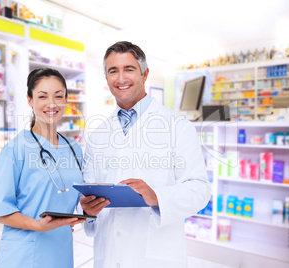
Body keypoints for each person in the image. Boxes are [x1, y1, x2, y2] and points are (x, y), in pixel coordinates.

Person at [79, 41, 212, 268]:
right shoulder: (97, 134)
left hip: (156, 257)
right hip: (109, 255)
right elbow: (88, 191)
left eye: (129, 69)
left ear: (145, 73)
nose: (121, 78)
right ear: (106, 78)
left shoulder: (177, 126)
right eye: (113, 71)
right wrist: (86, 211)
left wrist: (156, 196)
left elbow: (200, 189)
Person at [0, 68, 86, 267]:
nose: (52, 103)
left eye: (58, 96)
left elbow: (75, 196)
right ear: (30, 100)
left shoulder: (74, 149)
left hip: (61, 248)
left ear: (66, 100)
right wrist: (38, 226)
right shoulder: (15, 149)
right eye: (42, 96)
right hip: (24, 251)